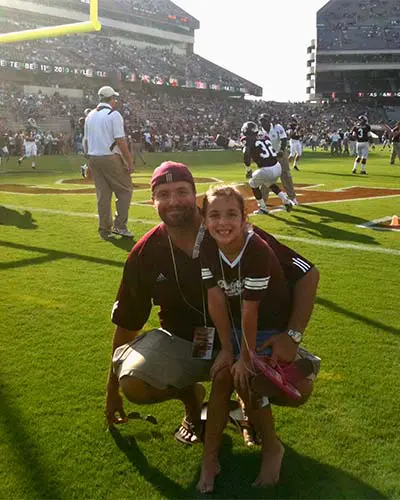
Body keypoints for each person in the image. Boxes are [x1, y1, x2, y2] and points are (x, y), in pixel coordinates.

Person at [105, 162, 320, 451]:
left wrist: (292, 335)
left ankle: (248, 405)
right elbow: (127, 321)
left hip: (246, 340)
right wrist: (112, 390)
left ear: (195, 196)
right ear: (152, 199)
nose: (173, 201)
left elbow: (306, 273)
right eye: (164, 194)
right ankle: (192, 401)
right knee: (134, 381)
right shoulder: (145, 252)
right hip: (185, 341)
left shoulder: (232, 232)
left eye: (181, 191)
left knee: (301, 388)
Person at [197, 185, 319, 493]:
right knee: (222, 376)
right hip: (236, 328)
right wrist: (227, 350)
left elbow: (251, 309)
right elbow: (215, 299)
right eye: (214, 215)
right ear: (204, 220)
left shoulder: (256, 249)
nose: (222, 223)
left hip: (265, 328)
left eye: (231, 215)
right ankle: (209, 458)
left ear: (245, 217)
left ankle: (271, 446)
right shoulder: (207, 245)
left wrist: (246, 356)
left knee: (247, 376)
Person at [84, 86, 134, 240]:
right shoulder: (114, 115)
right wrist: (129, 161)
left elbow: (85, 141)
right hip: (110, 158)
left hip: (93, 157)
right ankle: (120, 226)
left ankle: (104, 229)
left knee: (103, 195)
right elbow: (120, 140)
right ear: (111, 99)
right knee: (125, 189)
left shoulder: (90, 115)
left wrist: (87, 164)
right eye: (114, 98)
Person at [241, 121, 295, 215]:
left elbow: (246, 155)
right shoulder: (264, 136)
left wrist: (248, 170)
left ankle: (262, 207)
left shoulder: (247, 139)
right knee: (268, 183)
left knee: (252, 183)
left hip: (266, 169)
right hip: (277, 166)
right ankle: (286, 201)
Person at [259, 114, 298, 206]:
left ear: (269, 121)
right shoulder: (260, 132)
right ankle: (263, 201)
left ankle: (292, 198)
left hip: (280, 154)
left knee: (286, 176)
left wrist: (281, 150)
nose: (263, 123)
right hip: (268, 157)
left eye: (264, 121)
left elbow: (284, 139)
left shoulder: (277, 127)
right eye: (261, 121)